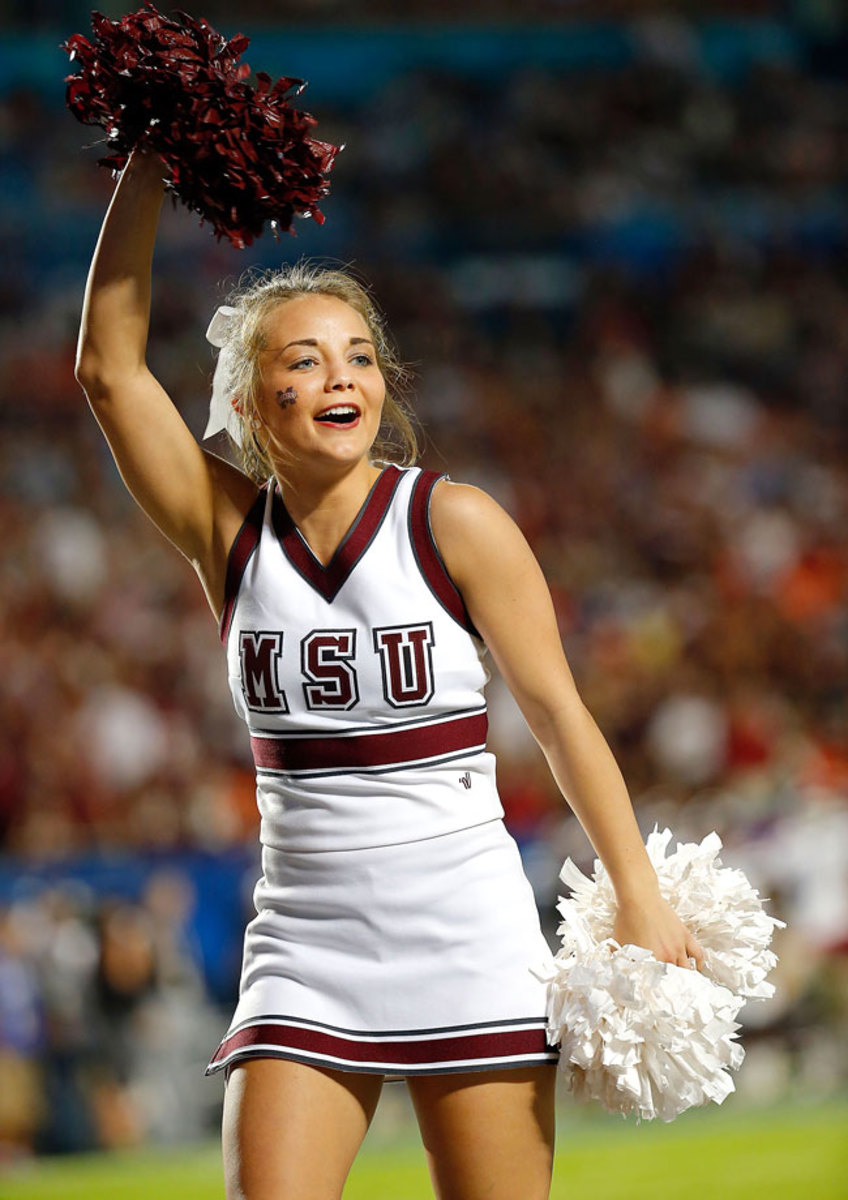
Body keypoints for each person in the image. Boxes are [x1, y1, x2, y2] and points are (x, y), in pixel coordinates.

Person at [74, 147, 704, 1200]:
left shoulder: (451, 520)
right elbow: (106, 369)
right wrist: (147, 162)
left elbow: (556, 713)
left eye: (359, 358)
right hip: (303, 943)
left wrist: (636, 892)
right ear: (252, 395)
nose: (341, 379)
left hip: (465, 924)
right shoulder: (225, 531)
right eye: (307, 360)